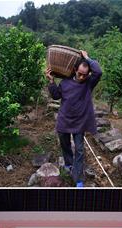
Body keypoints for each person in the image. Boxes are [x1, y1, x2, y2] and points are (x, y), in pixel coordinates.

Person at [45, 50, 102, 188]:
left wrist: (87, 58)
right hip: (64, 120)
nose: (82, 77)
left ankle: (78, 178)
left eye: (85, 74)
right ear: (75, 70)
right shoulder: (65, 83)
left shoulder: (89, 83)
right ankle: (69, 165)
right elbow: (56, 96)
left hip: (80, 122)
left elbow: (98, 72)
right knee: (65, 146)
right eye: (79, 73)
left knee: (80, 150)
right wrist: (52, 81)